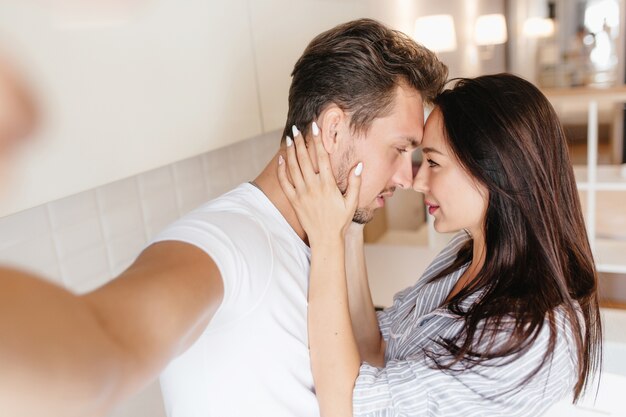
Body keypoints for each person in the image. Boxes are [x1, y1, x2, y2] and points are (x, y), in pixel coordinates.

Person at [0, 19, 448, 417]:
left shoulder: (323, 240)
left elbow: (365, 374)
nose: (407, 177)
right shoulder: (227, 242)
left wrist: (348, 228)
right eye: (398, 149)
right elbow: (104, 340)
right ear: (333, 130)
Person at [278, 73, 602, 416]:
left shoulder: (533, 336)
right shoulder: (467, 256)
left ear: (494, 170)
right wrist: (350, 224)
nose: (416, 181)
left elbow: (348, 408)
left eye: (433, 162)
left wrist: (327, 242)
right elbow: (376, 349)